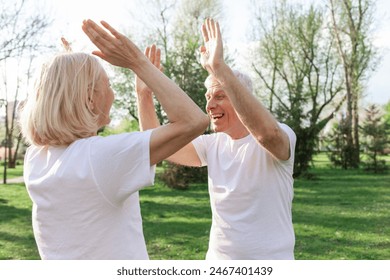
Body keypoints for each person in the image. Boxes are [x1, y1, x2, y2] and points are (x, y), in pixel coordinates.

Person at [19, 20, 209, 260]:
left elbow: (142, 148)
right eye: (107, 85)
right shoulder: (96, 157)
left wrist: (143, 96)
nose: (113, 94)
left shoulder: (37, 157)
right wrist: (137, 63)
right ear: (90, 98)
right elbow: (194, 121)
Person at [136, 18, 297, 260]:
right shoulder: (212, 145)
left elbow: (267, 135)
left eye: (219, 96)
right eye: (208, 96)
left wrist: (219, 67)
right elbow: (159, 146)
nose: (209, 105)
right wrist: (143, 94)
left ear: (241, 97)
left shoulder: (280, 134)